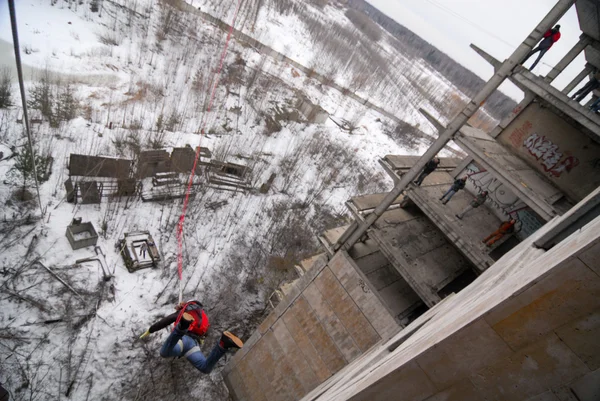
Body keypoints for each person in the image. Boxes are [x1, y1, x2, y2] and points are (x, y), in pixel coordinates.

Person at [139, 300, 243, 373]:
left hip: (183, 339)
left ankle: (182, 327)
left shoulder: (183, 311)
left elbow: (165, 321)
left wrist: (150, 330)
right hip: (193, 344)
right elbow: (204, 333)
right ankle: (223, 344)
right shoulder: (202, 316)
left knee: (164, 352)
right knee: (205, 368)